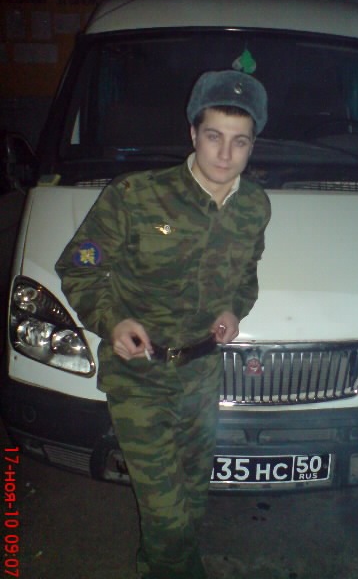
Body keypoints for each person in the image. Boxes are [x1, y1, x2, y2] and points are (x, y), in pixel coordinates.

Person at [55, 69, 270, 579]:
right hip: (139, 375)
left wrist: (234, 310)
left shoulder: (254, 207)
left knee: (190, 503)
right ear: (192, 133)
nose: (225, 154)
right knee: (168, 518)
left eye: (239, 142)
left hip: (201, 376)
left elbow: (248, 275)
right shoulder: (135, 196)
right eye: (214, 136)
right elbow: (79, 267)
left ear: (252, 145)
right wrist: (112, 321)